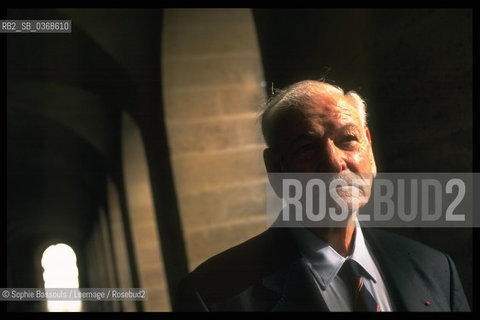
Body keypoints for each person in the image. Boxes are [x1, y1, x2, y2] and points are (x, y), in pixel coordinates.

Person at [173, 80, 470, 312]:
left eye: (348, 139)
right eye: (306, 148)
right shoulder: (213, 297)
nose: (334, 162)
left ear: (369, 148)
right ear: (276, 169)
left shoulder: (435, 268)